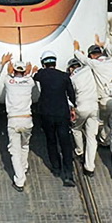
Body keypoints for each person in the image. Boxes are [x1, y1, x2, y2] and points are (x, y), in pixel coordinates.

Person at [33, 50, 77, 187]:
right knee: (65, 143)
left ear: (43, 63)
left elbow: (35, 76)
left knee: (51, 141)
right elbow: (71, 95)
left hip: (46, 114)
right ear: (55, 62)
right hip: (62, 114)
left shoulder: (41, 74)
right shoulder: (64, 76)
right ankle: (68, 173)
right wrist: (72, 108)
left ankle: (56, 168)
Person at [3, 58, 37, 192]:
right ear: (25, 72)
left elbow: (8, 74)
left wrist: (8, 68)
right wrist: (30, 72)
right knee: (25, 145)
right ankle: (24, 168)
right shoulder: (29, 82)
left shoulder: (8, 81)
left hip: (13, 120)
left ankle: (19, 180)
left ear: (14, 70)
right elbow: (29, 76)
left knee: (14, 151)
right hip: (27, 119)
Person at [76, 38, 112, 146]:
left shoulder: (95, 63)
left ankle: (104, 141)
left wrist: (76, 50)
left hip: (104, 99)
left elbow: (82, 59)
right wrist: (104, 44)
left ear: (92, 55)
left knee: (104, 122)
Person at [67, 57, 100, 176]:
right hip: (94, 106)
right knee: (92, 137)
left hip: (81, 107)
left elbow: (70, 96)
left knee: (76, 128)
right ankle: (89, 167)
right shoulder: (88, 69)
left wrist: (72, 109)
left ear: (71, 69)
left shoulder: (71, 78)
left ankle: (79, 151)